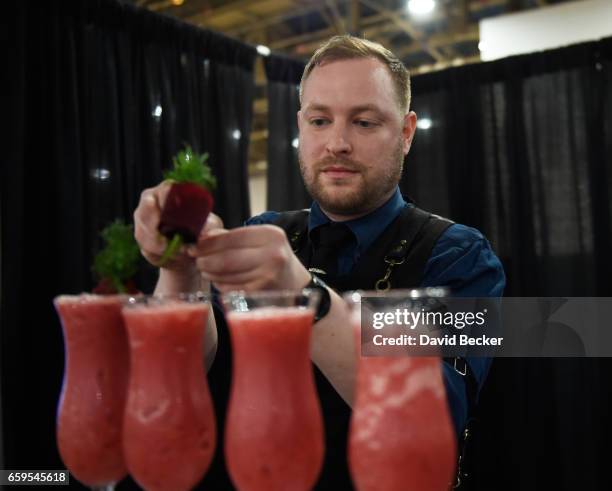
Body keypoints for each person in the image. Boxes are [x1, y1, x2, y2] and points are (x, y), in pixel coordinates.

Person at [134, 35, 505, 489]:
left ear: (406, 133)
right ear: (299, 125)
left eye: (365, 122)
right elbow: (185, 370)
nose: (337, 143)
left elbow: (440, 415)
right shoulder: (265, 231)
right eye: (319, 120)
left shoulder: (460, 255)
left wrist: (303, 294)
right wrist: (179, 265)